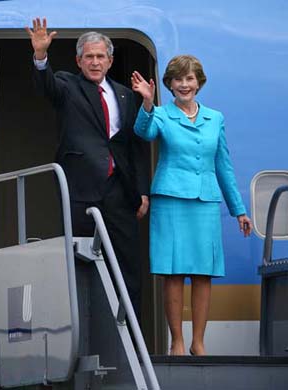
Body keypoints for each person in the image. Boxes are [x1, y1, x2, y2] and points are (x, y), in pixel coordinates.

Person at [26, 18, 150, 318]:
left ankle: (130, 336)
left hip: (120, 191)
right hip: (81, 189)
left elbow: (134, 145)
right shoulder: (68, 85)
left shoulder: (123, 94)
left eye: (101, 57)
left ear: (110, 61)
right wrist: (41, 56)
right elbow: (47, 86)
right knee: (81, 264)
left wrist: (143, 191)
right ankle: (84, 337)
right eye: (89, 57)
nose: (95, 62)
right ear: (79, 61)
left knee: (127, 266)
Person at [131, 55, 253, 356]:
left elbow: (223, 166)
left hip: (205, 202)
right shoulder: (160, 114)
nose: (184, 84)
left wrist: (239, 209)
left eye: (190, 78)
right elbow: (142, 133)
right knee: (173, 272)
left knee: (203, 272)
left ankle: (198, 342)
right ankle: (177, 341)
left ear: (199, 82)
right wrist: (147, 103)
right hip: (171, 201)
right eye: (178, 79)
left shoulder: (215, 118)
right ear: (169, 84)